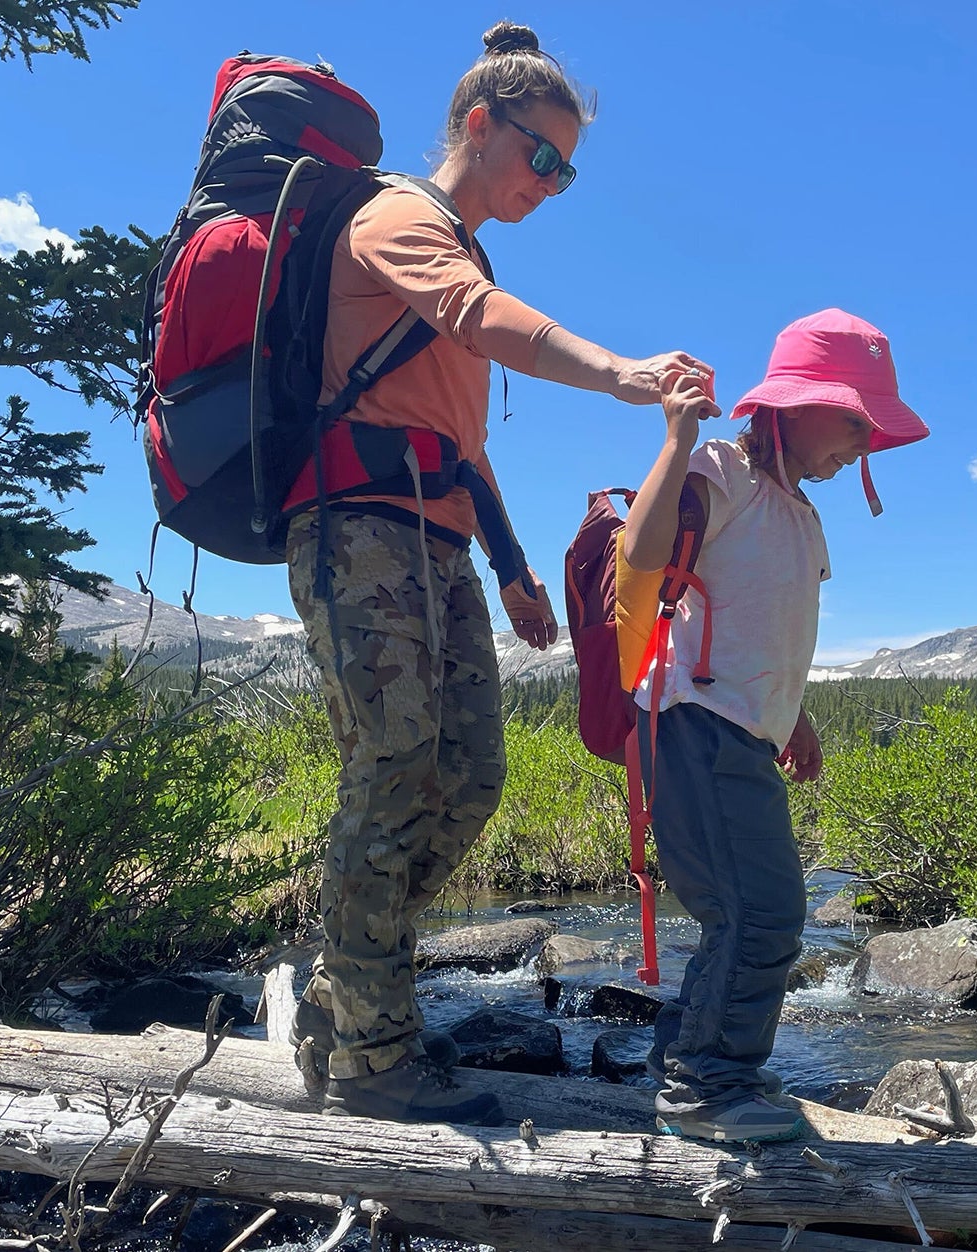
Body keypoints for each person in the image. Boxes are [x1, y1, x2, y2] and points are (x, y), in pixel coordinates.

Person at [287, 22, 713, 1126]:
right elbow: (483, 324)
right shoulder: (397, 220)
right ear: (479, 126)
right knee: (390, 766)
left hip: (436, 544)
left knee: (469, 775)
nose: (554, 184)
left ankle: (345, 977)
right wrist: (620, 372)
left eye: (566, 169)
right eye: (544, 158)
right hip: (355, 533)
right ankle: (372, 1057)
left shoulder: (462, 254)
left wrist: (515, 569)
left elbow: (460, 448)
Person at [622, 309, 929, 1142]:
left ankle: (682, 1056)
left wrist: (797, 717)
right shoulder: (719, 469)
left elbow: (771, 628)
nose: (861, 442)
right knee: (763, 913)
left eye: (870, 428)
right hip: (693, 725)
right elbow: (641, 556)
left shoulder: (799, 510)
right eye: (853, 420)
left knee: (742, 909)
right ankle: (707, 1087)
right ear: (793, 406)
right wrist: (676, 442)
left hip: (743, 731)